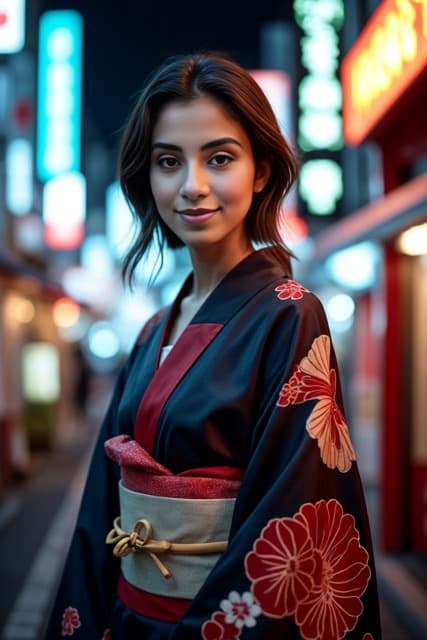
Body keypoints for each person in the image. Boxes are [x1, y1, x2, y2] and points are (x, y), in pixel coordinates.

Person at [45, 51, 382, 639]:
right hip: (126, 621)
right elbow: (101, 505)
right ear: (146, 177)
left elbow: (294, 512)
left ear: (260, 171)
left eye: (219, 158)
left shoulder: (290, 314)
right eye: (168, 161)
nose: (193, 186)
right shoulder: (153, 331)